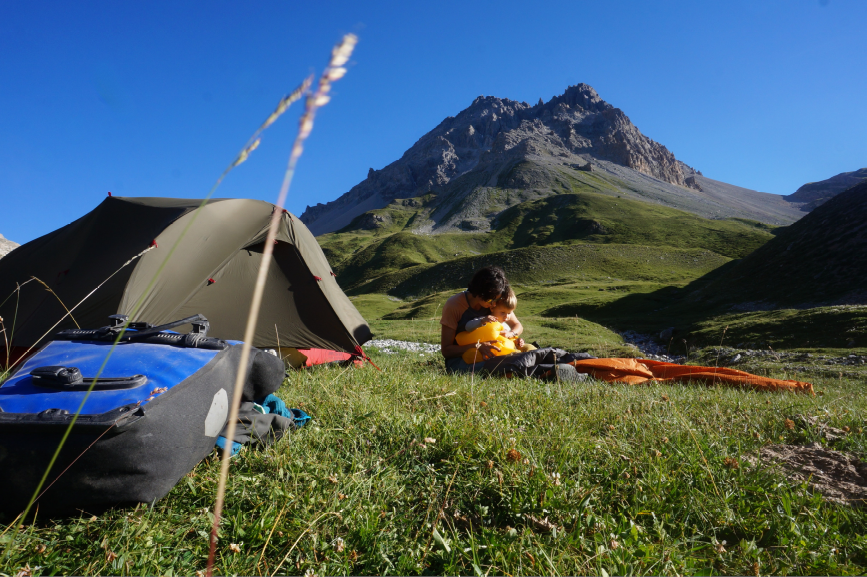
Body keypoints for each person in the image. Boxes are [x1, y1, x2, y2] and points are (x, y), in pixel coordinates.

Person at [440, 266, 524, 372]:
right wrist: (477, 346)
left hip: (497, 353)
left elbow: (517, 325)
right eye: (491, 300)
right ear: (479, 293)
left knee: (525, 353)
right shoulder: (454, 305)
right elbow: (447, 350)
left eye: (496, 300)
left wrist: (511, 334)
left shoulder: (495, 297)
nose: (494, 305)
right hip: (463, 360)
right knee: (505, 365)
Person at [464, 287, 536, 352]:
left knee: (530, 348)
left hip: (509, 348)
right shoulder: (486, 320)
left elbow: (510, 340)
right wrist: (482, 321)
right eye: (503, 312)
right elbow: (468, 327)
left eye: (509, 313)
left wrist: (518, 341)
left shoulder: (506, 326)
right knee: (516, 355)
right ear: (492, 308)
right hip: (498, 352)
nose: (506, 316)